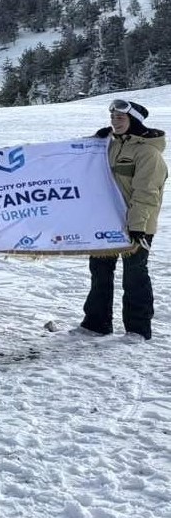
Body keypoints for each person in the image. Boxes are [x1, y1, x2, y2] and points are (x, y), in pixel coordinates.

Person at [83, 100, 166, 339]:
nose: (114, 122)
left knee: (135, 275)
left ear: (134, 121)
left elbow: (147, 192)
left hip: (137, 224)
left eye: (120, 118)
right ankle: (95, 323)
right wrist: (93, 140)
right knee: (99, 271)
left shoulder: (148, 153)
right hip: (106, 221)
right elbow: (80, 161)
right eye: (112, 117)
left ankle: (138, 329)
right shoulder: (108, 145)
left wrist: (137, 226)